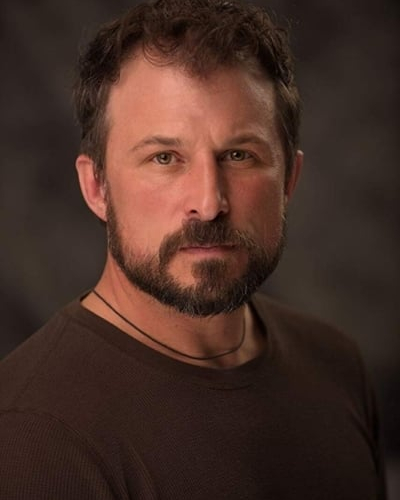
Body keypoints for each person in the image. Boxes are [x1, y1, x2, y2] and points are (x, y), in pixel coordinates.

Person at [0, 0, 386, 498]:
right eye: (165, 158)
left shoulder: (336, 366)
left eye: (239, 155)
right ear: (96, 186)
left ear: (289, 179)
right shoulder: (32, 440)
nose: (208, 203)